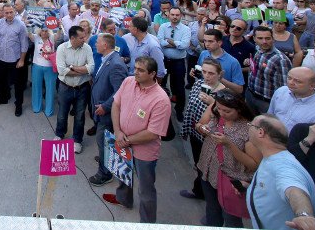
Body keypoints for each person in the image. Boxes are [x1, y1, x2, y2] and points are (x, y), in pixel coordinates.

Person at [107, 56, 172, 224]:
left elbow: (153, 133)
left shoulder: (161, 99)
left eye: (141, 70)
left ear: (153, 74)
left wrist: (125, 139)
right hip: (122, 141)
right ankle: (123, 199)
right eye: (135, 68)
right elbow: (116, 105)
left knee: (146, 189)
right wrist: (117, 131)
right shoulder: (128, 82)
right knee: (123, 174)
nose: (135, 72)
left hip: (144, 152)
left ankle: (147, 223)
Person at [195, 90, 262, 227]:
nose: (221, 113)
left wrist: (229, 144)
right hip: (207, 171)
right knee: (212, 210)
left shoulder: (248, 130)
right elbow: (199, 124)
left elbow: (254, 164)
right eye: (219, 109)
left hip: (230, 180)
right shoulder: (216, 114)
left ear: (239, 110)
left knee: (231, 218)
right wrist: (203, 128)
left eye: (227, 111)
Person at [246, 114, 315, 230]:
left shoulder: (283, 165)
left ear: (260, 132)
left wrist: (305, 216)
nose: (248, 128)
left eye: (250, 125)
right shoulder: (273, 158)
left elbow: (294, 190)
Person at [180, 58, 226, 201]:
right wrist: (187, 128)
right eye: (204, 72)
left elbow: (226, 117)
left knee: (206, 166)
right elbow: (191, 107)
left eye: (211, 73)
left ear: (220, 74)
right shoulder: (199, 83)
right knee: (198, 162)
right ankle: (199, 190)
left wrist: (212, 103)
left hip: (210, 136)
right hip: (196, 131)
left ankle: (207, 195)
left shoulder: (224, 93)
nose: (207, 76)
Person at [87, 33, 128, 187]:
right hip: (101, 110)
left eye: (97, 42)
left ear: (105, 45)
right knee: (104, 141)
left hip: (108, 113)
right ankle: (106, 158)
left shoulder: (116, 64)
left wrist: (105, 106)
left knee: (103, 140)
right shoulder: (108, 59)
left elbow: (120, 92)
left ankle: (104, 173)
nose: (95, 45)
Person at [54, 25, 94, 154]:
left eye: (84, 36)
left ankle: (77, 140)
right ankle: (59, 134)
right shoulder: (61, 48)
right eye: (81, 37)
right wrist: (82, 70)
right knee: (62, 114)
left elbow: (91, 68)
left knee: (80, 116)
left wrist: (71, 67)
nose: (84, 39)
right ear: (72, 38)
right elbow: (61, 70)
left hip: (82, 88)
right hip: (65, 87)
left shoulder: (87, 48)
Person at [268, 67, 315, 132]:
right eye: (289, 78)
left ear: (312, 86)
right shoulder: (281, 91)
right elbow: (270, 115)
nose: (291, 83)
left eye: (298, 81)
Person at [0, 3, 29, 117]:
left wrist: (22, 60)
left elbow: (24, 44)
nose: (8, 15)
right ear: (3, 13)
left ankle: (18, 104)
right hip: (1, 57)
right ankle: (3, 98)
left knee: (18, 84)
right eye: (6, 12)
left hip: (15, 60)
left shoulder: (21, 25)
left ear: (14, 12)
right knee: (1, 80)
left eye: (11, 12)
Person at [246, 26, 292, 114]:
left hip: (266, 102)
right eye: (260, 38)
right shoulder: (257, 50)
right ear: (254, 39)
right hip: (251, 95)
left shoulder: (281, 60)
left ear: (273, 39)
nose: (264, 41)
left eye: (267, 38)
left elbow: (286, 87)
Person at [196, 29, 244, 95]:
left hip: (222, 99)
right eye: (205, 41)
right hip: (204, 93)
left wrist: (220, 79)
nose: (206, 44)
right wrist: (195, 72)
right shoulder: (203, 54)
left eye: (210, 41)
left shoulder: (233, 62)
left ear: (219, 43)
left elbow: (239, 89)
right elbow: (201, 73)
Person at [30, 26, 61, 117]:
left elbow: (59, 34)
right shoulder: (36, 37)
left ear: (49, 32)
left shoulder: (52, 37)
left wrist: (59, 26)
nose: (44, 33)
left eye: (46, 31)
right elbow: (29, 34)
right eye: (42, 31)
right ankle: (36, 107)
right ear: (39, 31)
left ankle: (49, 110)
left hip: (50, 67)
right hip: (37, 66)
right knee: (36, 87)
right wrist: (27, 25)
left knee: (50, 89)